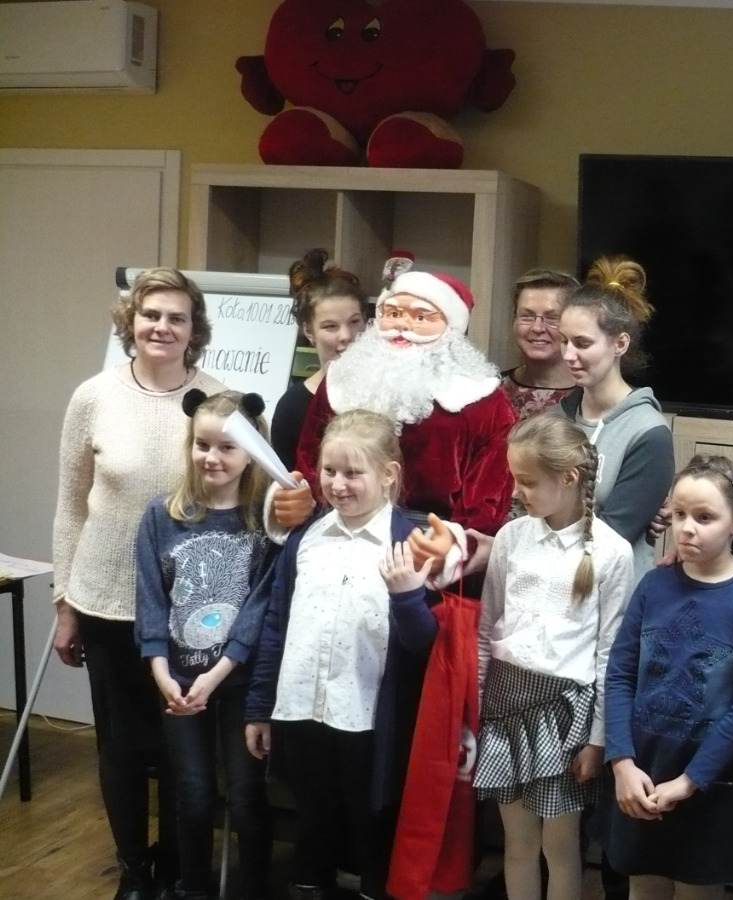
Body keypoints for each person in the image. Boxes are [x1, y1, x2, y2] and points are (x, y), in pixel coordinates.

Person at [52, 267, 224, 900]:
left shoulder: (218, 401)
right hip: (104, 601)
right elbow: (71, 506)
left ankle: (177, 867)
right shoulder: (93, 397)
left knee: (184, 754)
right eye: (151, 314)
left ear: (194, 329)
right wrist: (65, 603)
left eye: (177, 317)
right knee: (121, 749)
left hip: (189, 610)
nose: (162, 327)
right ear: (131, 321)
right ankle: (132, 869)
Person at [244, 409, 444, 900]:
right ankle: (310, 883)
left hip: (368, 718)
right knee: (312, 817)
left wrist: (407, 596)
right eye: (329, 470)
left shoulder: (411, 541)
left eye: (353, 473)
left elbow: (425, 646)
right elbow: (276, 625)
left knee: (370, 821)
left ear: (388, 474)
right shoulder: (305, 537)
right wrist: (260, 707)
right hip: (301, 709)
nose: (337, 484)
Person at [604, 455, 733, 899]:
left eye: (704, 518)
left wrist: (689, 781)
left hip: (709, 781)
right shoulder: (654, 585)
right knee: (643, 887)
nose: (686, 529)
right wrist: (622, 762)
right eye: (680, 514)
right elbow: (620, 675)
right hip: (642, 771)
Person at [475, 415, 635, 900]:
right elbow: (487, 627)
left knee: (560, 846)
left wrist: (598, 738)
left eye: (527, 481)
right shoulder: (511, 537)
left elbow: (609, 654)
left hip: (565, 711)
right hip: (505, 701)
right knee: (518, 843)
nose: (516, 491)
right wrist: (477, 706)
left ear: (568, 478)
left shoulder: (612, 552)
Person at [280, 256, 516, 583]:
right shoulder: (341, 381)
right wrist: (298, 500)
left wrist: (452, 547)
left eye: (420, 317)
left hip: (424, 549)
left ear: (451, 327)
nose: (403, 325)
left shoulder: (481, 398)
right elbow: (309, 463)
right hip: (337, 541)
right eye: (393, 313)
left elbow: (488, 498)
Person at [135, 390, 275, 900]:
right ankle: (191, 887)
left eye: (227, 447)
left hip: (238, 682)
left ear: (251, 453)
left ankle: (253, 888)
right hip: (177, 682)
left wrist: (217, 675)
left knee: (245, 793)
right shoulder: (160, 515)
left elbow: (260, 607)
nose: (211, 457)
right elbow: (151, 599)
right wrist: (161, 672)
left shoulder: (266, 522)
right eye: (202, 444)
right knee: (192, 793)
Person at [553, 257, 674, 580]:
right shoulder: (556, 418)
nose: (568, 355)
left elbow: (612, 536)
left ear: (620, 343)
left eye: (582, 343)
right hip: (549, 583)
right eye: (563, 340)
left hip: (611, 590)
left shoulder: (648, 432)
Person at [270, 248, 371, 471]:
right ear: (308, 330)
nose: (345, 336)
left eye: (354, 322)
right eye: (330, 326)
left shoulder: (388, 395)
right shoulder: (293, 407)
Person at [500, 269, 580, 421]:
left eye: (552, 318)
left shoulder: (592, 396)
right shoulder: (488, 390)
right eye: (527, 316)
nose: (537, 328)